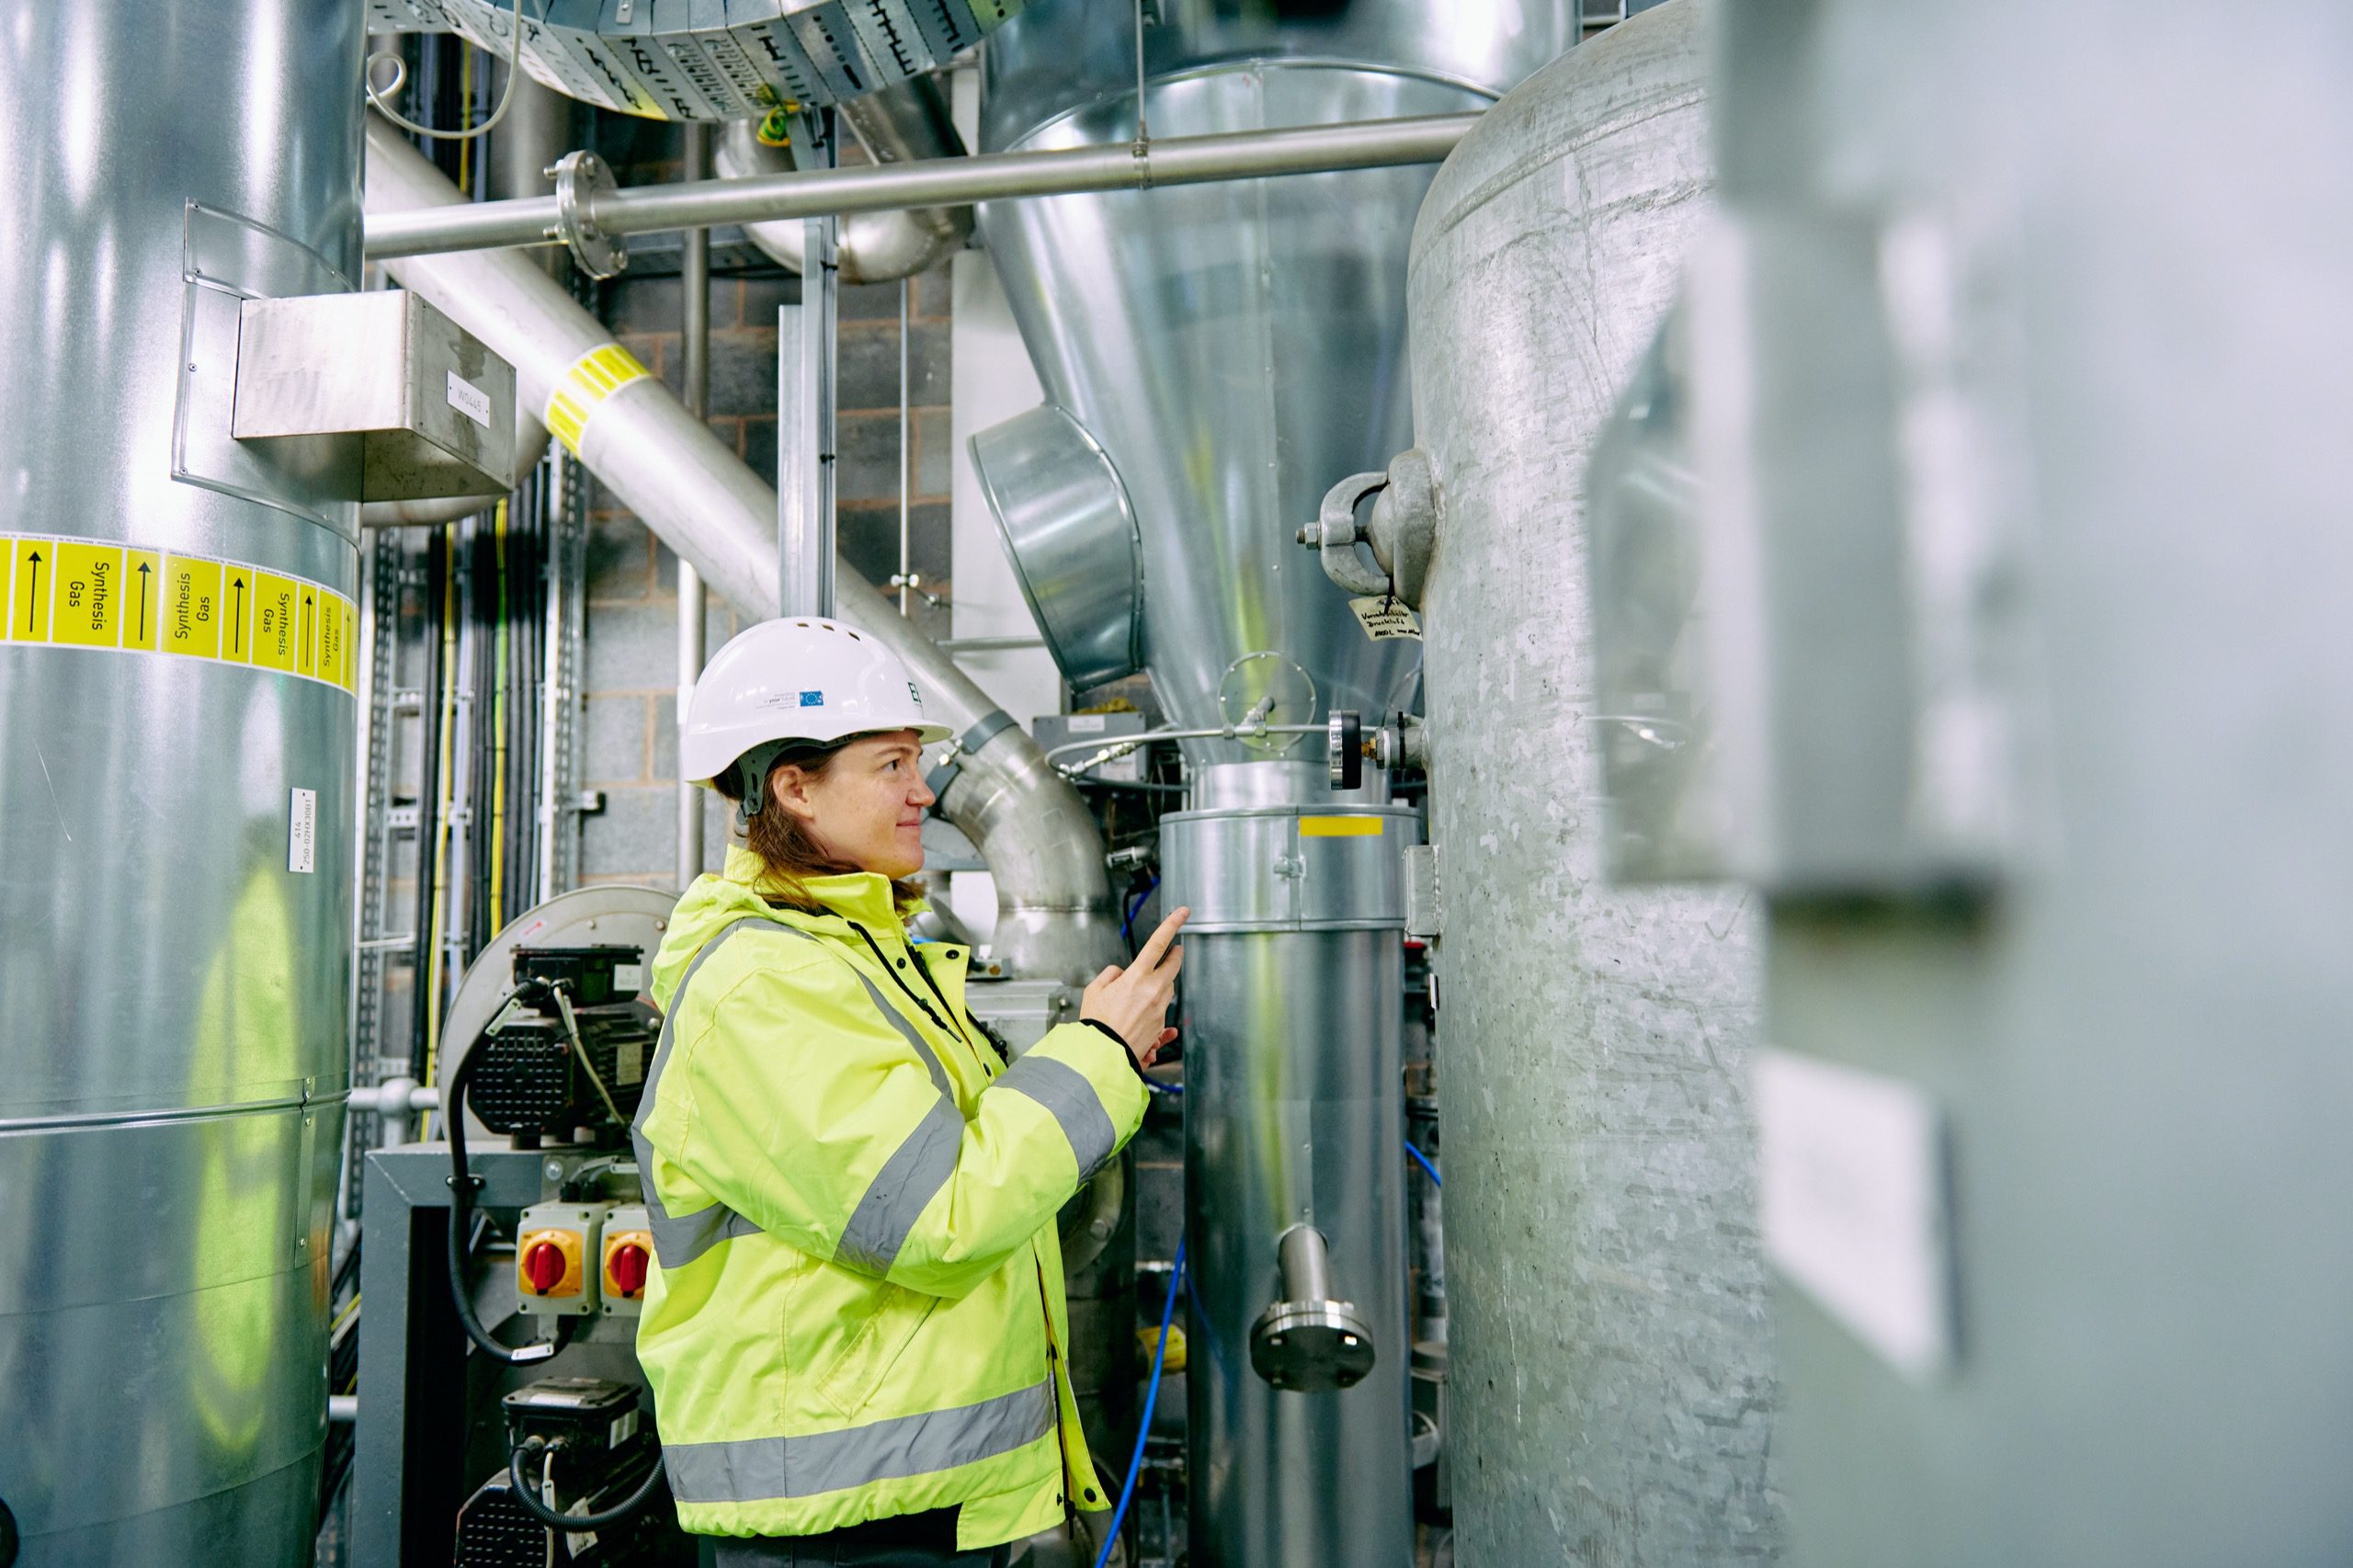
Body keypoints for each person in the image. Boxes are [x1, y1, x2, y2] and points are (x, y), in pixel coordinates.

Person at [632, 616, 1187, 1568]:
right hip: (842, 1524)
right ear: (793, 786)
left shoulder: (858, 954)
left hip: (910, 1500)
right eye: (892, 763)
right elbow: (940, 1211)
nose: (922, 792)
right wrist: (1098, 1051)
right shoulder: (763, 985)